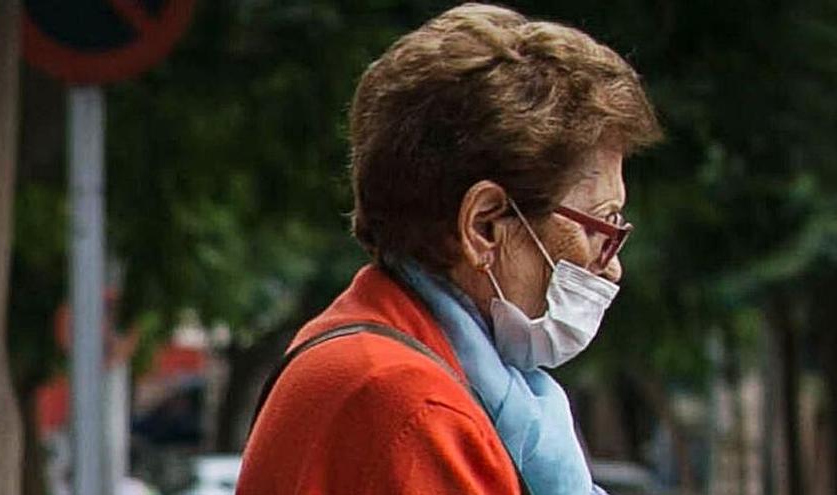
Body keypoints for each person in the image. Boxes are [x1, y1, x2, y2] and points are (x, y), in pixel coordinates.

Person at [236, 3, 661, 494]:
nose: (611, 269)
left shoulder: (381, 349)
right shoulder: (412, 405)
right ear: (484, 226)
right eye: (599, 225)